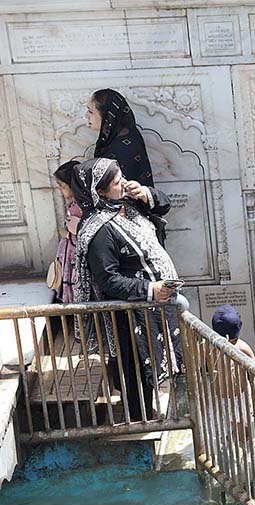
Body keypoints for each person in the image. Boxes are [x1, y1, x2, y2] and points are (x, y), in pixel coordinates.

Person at [72, 157, 179, 421]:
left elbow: (164, 204)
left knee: (154, 361)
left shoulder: (128, 205)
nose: (124, 185)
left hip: (152, 304)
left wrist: (145, 192)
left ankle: (150, 412)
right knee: (135, 367)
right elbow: (109, 280)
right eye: (118, 182)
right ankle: (139, 418)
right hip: (130, 311)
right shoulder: (99, 231)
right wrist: (150, 289)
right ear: (100, 191)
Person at [86, 89, 154, 187]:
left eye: (91, 111)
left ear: (107, 116)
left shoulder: (121, 148)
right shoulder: (117, 139)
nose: (86, 115)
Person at [53, 161, 82, 304]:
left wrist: (66, 234)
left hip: (75, 254)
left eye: (62, 186)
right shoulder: (73, 204)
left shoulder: (77, 207)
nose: (60, 190)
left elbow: (81, 233)